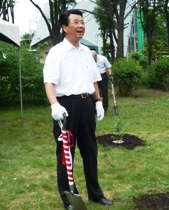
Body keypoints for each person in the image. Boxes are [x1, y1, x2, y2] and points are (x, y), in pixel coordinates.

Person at [43, 9, 113, 210]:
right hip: (66, 107)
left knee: (90, 151)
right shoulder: (57, 52)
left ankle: (95, 194)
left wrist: (98, 101)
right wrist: (54, 104)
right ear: (65, 27)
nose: (81, 25)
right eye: (76, 22)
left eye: (82, 21)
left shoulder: (86, 52)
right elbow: (49, 82)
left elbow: (94, 80)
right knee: (66, 154)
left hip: (86, 105)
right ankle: (68, 198)